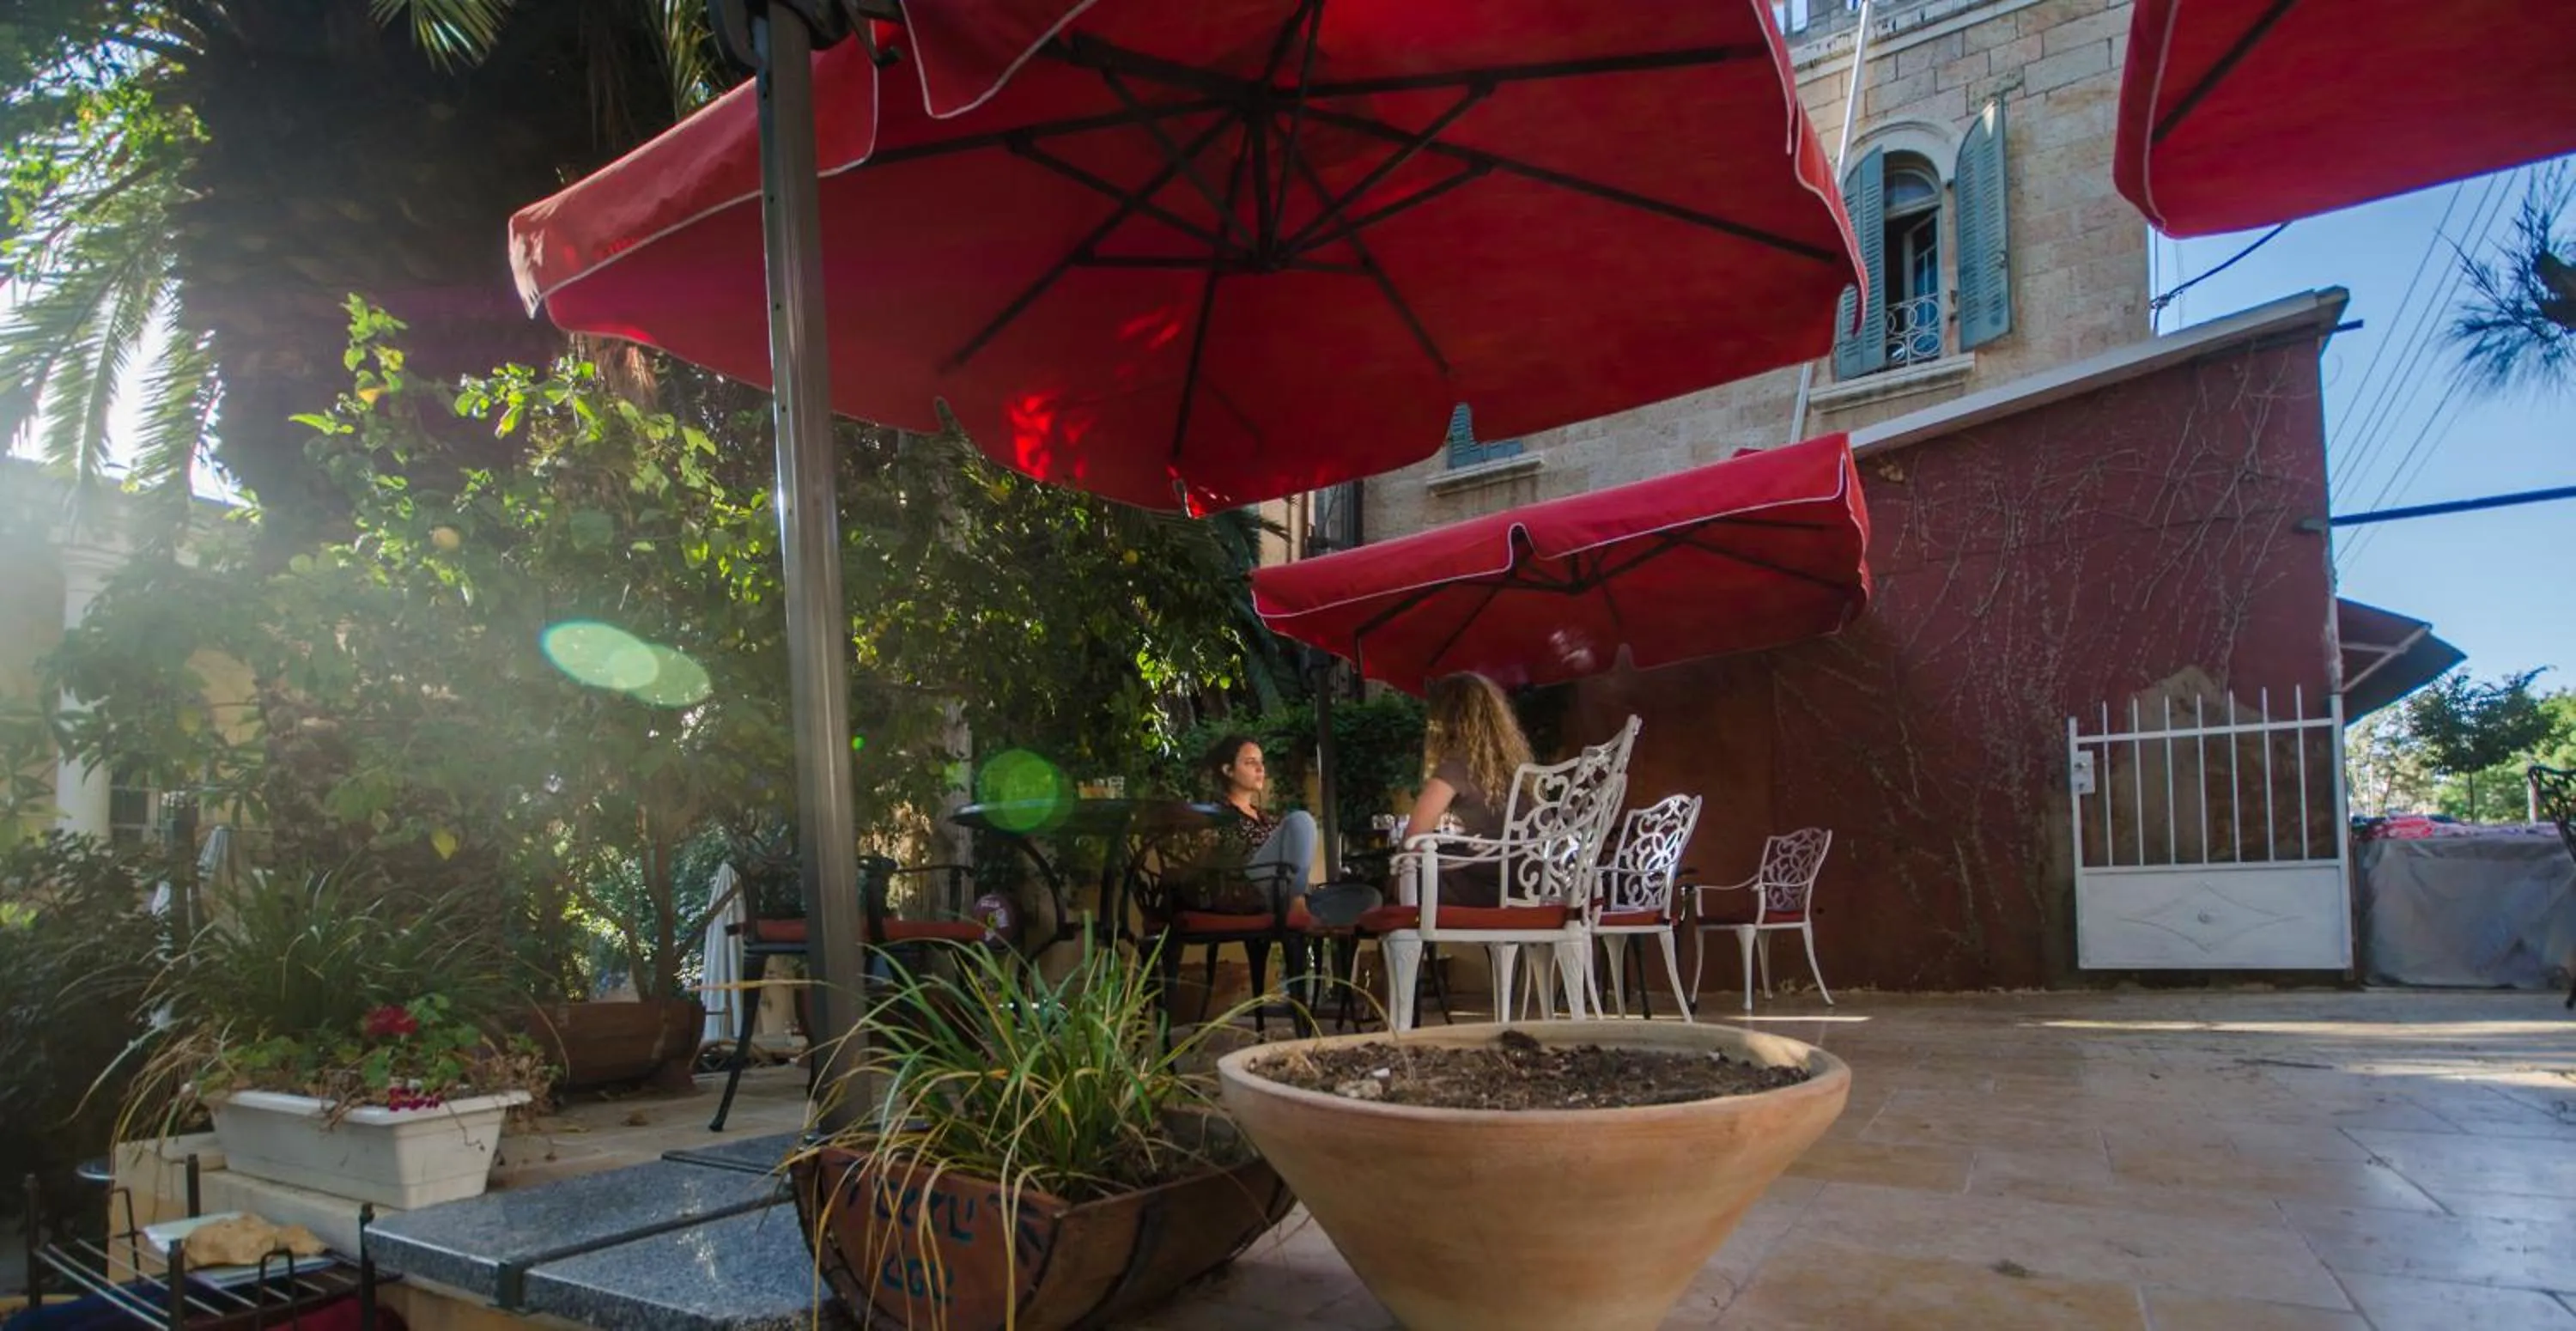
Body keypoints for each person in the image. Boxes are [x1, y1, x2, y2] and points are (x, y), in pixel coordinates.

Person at [1399, 672, 1535, 909]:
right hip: (1537, 886)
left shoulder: (1456, 766)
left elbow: (1412, 842)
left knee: (1409, 871)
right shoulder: (1517, 767)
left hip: (1495, 891)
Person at [1185, 734, 1317, 915]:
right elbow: (1210, 863)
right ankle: (1297, 904)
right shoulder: (1218, 815)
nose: (1260, 768)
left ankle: (1300, 902)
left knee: (1348, 897)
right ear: (1228, 770)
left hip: (1280, 885)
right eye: (1250, 762)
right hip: (1246, 887)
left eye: (1261, 762)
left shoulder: (1265, 817)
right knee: (1301, 820)